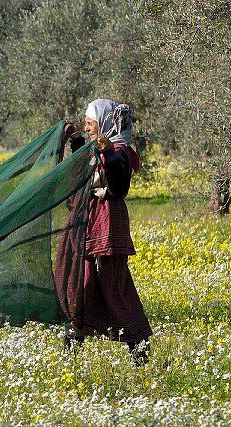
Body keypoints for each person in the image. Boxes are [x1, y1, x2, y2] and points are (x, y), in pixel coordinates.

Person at [56, 99, 153, 364]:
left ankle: (139, 347)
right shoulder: (98, 147)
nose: (88, 129)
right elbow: (84, 166)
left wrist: (108, 153)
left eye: (90, 124)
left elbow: (119, 187)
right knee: (80, 281)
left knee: (113, 285)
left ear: (104, 122)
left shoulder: (119, 151)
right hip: (89, 222)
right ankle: (72, 348)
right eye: (86, 125)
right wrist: (75, 138)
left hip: (108, 225)